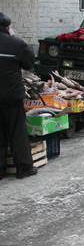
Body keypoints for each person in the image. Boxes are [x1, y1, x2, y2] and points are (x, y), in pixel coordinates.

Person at [0, 12, 37, 179]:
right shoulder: (16, 44)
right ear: (8, 27)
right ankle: (24, 168)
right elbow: (29, 63)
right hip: (11, 95)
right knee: (17, 131)